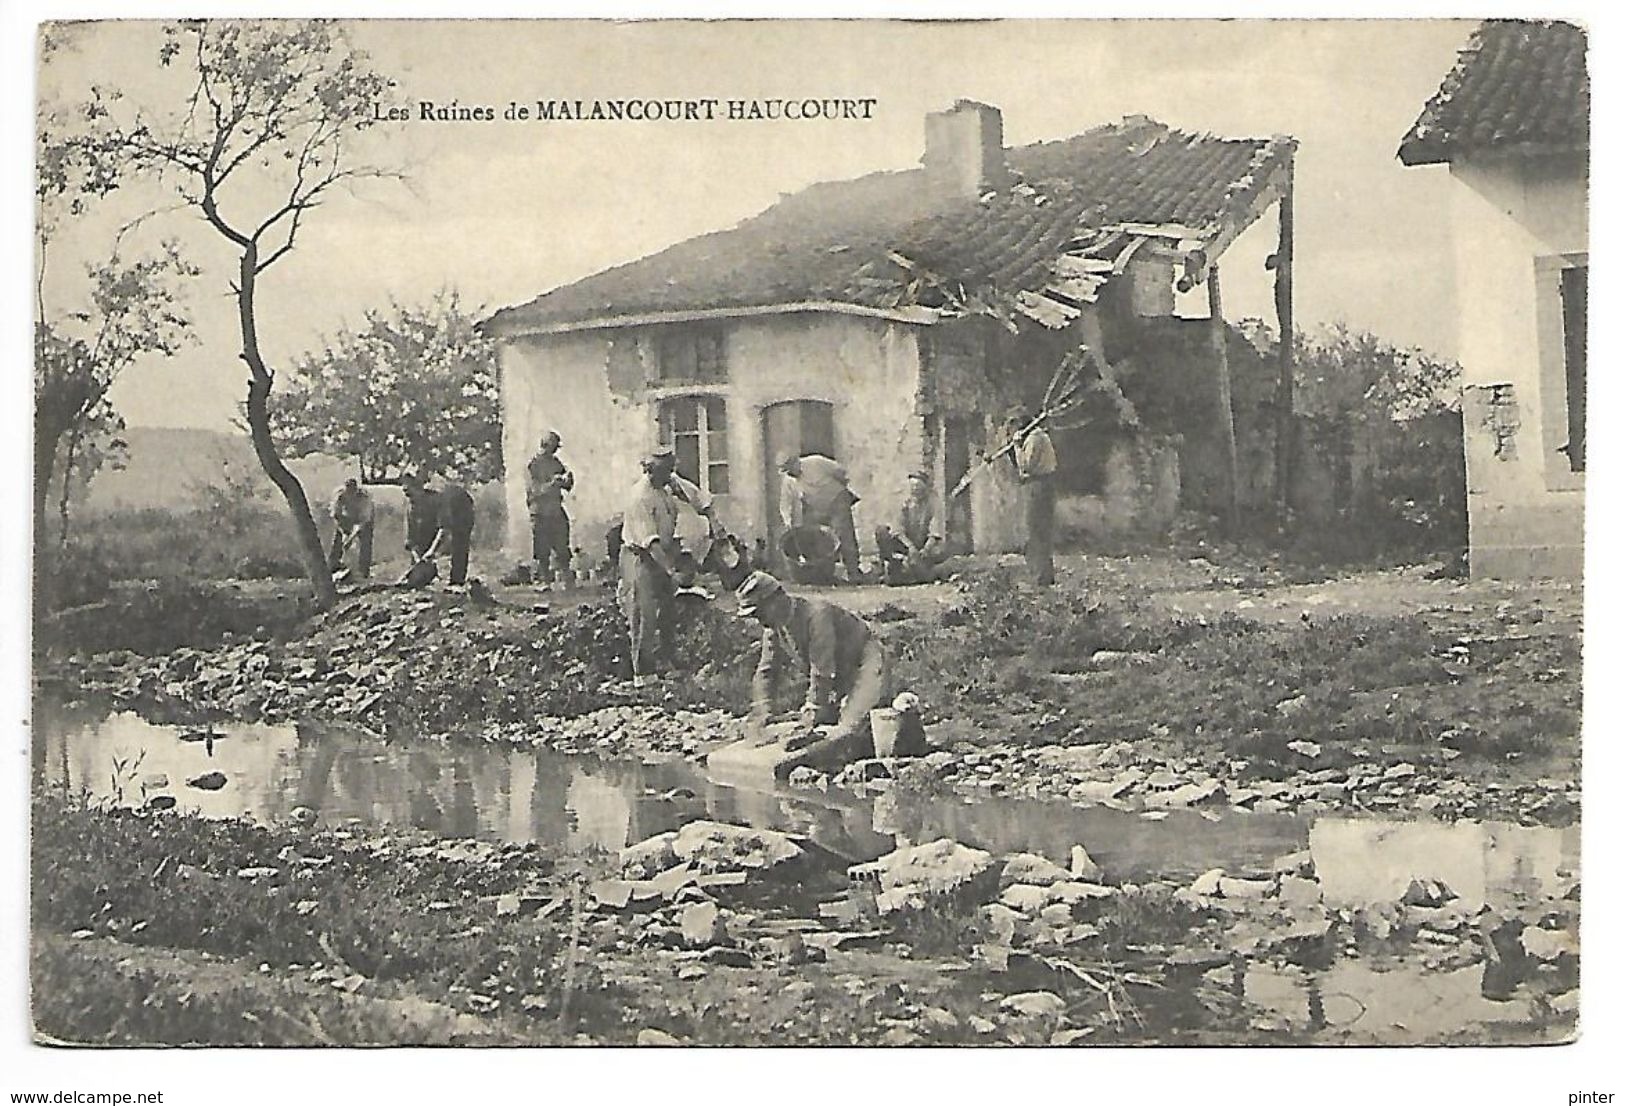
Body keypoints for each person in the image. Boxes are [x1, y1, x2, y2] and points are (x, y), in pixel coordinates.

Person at [735, 570, 890, 770]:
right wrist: (762, 711)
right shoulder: (774, 628)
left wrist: (813, 709)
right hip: (840, 673)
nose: (759, 620)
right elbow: (766, 671)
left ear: (777, 599)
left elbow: (822, 669)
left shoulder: (817, 614)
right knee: (824, 726)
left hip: (866, 660)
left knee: (848, 730)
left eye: (759, 612)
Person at [618, 450, 687, 688]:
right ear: (649, 470)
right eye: (665, 471)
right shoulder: (640, 497)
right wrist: (671, 571)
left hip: (661, 556)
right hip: (640, 557)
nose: (670, 475)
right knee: (643, 613)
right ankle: (643, 673)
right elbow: (651, 542)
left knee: (667, 612)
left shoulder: (665, 490)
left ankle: (667, 662)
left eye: (671, 470)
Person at [779, 454, 863, 582]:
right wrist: (787, 521)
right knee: (817, 537)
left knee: (843, 534)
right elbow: (785, 502)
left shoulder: (816, 462)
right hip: (817, 507)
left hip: (837, 501)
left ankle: (854, 572)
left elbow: (841, 472)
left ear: (796, 462)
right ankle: (821, 573)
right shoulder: (789, 481)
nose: (790, 473)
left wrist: (838, 489)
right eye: (786, 471)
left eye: (790, 469)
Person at [1004, 405, 1057, 586]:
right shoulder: (1035, 437)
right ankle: (1043, 577)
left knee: (1035, 532)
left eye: (1013, 423)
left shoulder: (1035, 438)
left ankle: (1039, 578)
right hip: (1038, 485)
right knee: (1038, 531)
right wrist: (1012, 449)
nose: (1012, 428)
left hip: (1038, 487)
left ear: (1021, 422)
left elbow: (1026, 465)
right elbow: (1020, 467)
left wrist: (1018, 445)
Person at [875, 470, 947, 584]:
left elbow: (935, 531)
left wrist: (926, 549)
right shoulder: (905, 502)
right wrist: (910, 547)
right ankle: (893, 565)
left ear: (926, 488)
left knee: (935, 558)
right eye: (913, 486)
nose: (915, 489)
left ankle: (917, 572)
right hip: (906, 544)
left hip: (925, 544)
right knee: (881, 531)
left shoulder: (933, 502)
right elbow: (898, 529)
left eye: (918, 486)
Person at [403, 474, 476, 586]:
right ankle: (426, 575)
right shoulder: (411, 507)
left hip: (462, 509)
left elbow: (444, 530)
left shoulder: (438, 501)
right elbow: (412, 540)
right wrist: (419, 560)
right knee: (422, 542)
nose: (410, 499)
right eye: (407, 495)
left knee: (459, 543)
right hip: (439, 516)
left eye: (412, 495)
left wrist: (431, 552)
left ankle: (457, 581)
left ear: (420, 490)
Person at [525, 430, 575, 586]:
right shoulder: (533, 465)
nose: (556, 450)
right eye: (554, 447)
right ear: (546, 445)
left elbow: (566, 485)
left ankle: (566, 579)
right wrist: (552, 484)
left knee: (562, 545)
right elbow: (534, 490)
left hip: (555, 509)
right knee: (542, 548)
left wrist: (568, 479)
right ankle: (543, 581)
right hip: (540, 511)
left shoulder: (555, 462)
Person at [328, 477, 375, 580]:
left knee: (365, 542)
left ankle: (364, 572)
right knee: (338, 541)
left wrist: (350, 538)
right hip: (347, 517)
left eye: (352, 491)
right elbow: (336, 515)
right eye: (347, 491)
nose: (349, 494)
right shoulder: (339, 496)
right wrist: (344, 533)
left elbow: (363, 522)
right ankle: (332, 566)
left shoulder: (364, 497)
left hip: (363, 519)